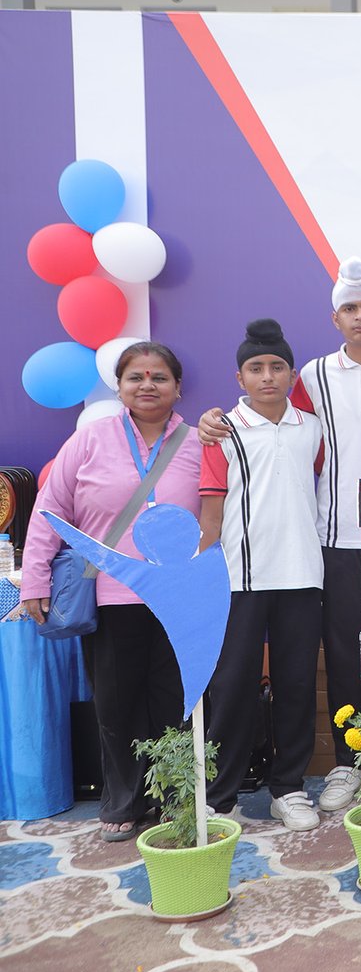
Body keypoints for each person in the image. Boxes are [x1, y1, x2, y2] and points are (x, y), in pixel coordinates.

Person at [199, 258, 361, 812]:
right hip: (335, 539)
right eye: (350, 309)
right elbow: (269, 417)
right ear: (336, 319)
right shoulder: (312, 375)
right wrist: (214, 420)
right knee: (346, 658)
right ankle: (350, 763)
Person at [20, 342, 202, 842]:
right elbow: (50, 510)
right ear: (119, 387)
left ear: (177, 387)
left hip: (178, 598)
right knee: (117, 705)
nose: (147, 385)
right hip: (113, 594)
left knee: (175, 701)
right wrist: (35, 578)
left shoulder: (197, 443)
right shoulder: (89, 440)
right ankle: (123, 800)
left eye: (159, 377)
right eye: (135, 377)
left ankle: (174, 797)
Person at [198, 320, 326, 830]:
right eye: (256, 368)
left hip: (303, 574)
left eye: (277, 367)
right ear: (240, 377)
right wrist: (204, 576)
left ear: (292, 374)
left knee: (297, 685)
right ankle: (220, 797)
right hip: (239, 579)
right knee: (232, 688)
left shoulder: (312, 428)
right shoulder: (221, 431)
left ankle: (288, 789)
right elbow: (211, 513)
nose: (267, 376)